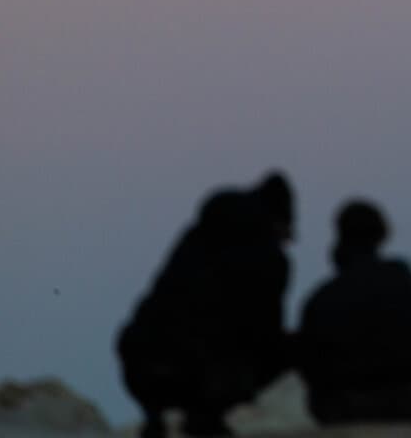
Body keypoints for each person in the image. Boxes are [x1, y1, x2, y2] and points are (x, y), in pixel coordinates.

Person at [115, 172, 296, 438]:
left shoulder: (196, 237)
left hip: (141, 365)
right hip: (201, 373)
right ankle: (206, 415)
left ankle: (157, 417)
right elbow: (265, 332)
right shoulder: (269, 258)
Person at [297, 199, 411, 425]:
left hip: (339, 404)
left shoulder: (321, 297)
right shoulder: (400, 279)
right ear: (382, 234)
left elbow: (309, 360)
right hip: (398, 398)